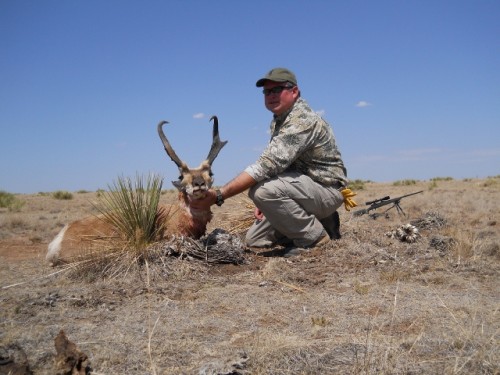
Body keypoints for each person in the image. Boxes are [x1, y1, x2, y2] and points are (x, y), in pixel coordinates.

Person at [190, 67, 348, 257]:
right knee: (255, 239)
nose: (270, 95)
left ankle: (313, 239)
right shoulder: (279, 121)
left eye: (277, 90)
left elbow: (266, 165)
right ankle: (322, 221)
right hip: (304, 190)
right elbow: (280, 165)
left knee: (261, 191)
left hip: (326, 190)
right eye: (266, 91)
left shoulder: (302, 120)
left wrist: (218, 195)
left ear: (294, 91)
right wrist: (268, 204)